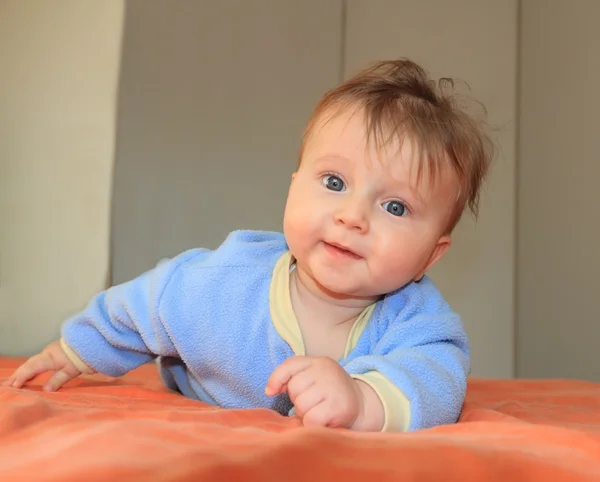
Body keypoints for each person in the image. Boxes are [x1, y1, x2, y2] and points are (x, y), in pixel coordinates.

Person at [3, 58, 494, 432]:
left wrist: (363, 399)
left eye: (394, 208)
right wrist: (75, 350)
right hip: (202, 387)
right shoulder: (222, 283)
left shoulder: (418, 321)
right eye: (334, 182)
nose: (352, 217)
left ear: (431, 255)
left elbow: (438, 383)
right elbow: (145, 304)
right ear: (293, 186)